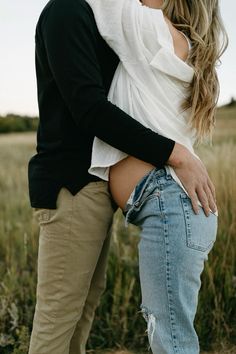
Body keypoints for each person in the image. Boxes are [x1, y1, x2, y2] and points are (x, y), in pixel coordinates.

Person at [27, 0, 220, 353]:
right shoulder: (67, 11)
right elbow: (90, 109)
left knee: (82, 313)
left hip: (94, 186)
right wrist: (175, 153)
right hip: (71, 183)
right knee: (58, 319)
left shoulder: (114, 22)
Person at [87, 0, 228, 352]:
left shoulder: (149, 28)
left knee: (172, 343)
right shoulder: (184, 46)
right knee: (174, 339)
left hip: (172, 206)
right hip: (183, 210)